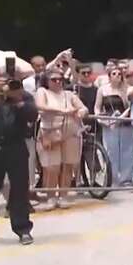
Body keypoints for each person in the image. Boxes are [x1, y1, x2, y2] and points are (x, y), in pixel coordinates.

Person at [0, 66, 38, 244]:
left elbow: (32, 115)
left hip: (16, 148)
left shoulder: (21, 94)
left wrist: (17, 99)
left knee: (19, 190)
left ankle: (23, 229)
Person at [35, 69, 89, 210]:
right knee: (52, 167)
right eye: (54, 79)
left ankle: (63, 195)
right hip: (50, 133)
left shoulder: (69, 94)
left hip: (70, 133)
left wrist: (81, 112)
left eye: (60, 79)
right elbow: (40, 105)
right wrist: (61, 111)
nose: (58, 82)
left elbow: (83, 108)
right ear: (47, 81)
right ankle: (51, 196)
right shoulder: (42, 92)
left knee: (68, 165)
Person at [95, 67, 133, 186]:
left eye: (119, 74)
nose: (117, 75)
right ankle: (112, 178)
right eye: (114, 73)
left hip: (124, 122)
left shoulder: (126, 89)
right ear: (109, 76)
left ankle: (126, 178)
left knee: (127, 151)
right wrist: (99, 118)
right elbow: (97, 107)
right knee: (111, 151)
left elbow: (130, 106)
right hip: (109, 123)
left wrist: (121, 116)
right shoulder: (102, 90)